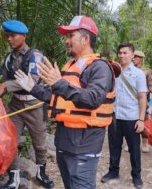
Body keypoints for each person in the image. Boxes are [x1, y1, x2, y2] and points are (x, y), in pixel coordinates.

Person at [14, 15, 116, 189]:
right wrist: (33, 88)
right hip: (64, 142)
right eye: (66, 37)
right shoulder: (70, 65)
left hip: (84, 147)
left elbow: (93, 99)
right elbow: (57, 97)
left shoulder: (99, 67)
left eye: (70, 36)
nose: (66, 41)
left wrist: (59, 83)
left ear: (85, 39)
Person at [0, 20, 54, 189]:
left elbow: (32, 80)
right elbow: (5, 81)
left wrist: (4, 87)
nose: (9, 39)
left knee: (39, 142)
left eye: (13, 35)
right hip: (15, 105)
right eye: (7, 36)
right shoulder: (9, 58)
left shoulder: (35, 55)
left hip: (34, 106)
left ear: (23, 36)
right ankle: (13, 179)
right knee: (10, 141)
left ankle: (41, 173)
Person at [101, 42, 147, 189]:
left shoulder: (138, 74)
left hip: (131, 117)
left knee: (134, 148)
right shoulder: (114, 71)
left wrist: (141, 119)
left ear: (132, 55)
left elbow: (142, 97)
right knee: (114, 146)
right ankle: (113, 171)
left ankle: (136, 176)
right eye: (120, 53)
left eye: (125, 53)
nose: (122, 55)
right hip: (115, 115)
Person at [133, 50, 152, 152]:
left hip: (143, 100)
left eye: (136, 57)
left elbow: (150, 86)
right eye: (133, 57)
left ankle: (144, 142)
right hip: (132, 100)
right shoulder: (129, 70)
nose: (134, 59)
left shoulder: (147, 71)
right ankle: (133, 141)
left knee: (143, 120)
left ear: (141, 59)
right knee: (131, 121)